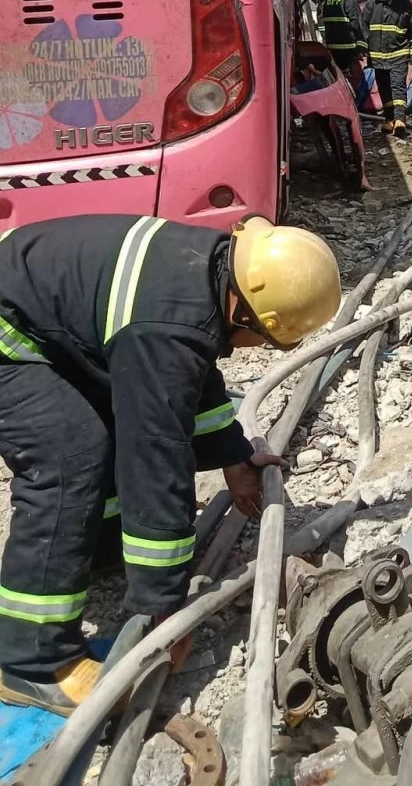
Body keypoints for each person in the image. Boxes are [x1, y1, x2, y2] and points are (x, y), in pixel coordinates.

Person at [0, 214, 341, 714]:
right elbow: (156, 464)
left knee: (110, 420)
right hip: (10, 333)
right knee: (71, 456)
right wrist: (162, 607)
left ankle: (92, 549)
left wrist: (234, 455)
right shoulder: (163, 327)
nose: (254, 349)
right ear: (242, 311)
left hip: (40, 310)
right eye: (264, 340)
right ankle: (29, 661)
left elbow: (190, 375)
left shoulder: (212, 268)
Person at [367, 0, 412, 137]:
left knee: (398, 87)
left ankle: (400, 121)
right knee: (384, 88)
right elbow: (362, 27)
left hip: (399, 54)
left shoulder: (406, 5)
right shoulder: (372, 5)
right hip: (377, 57)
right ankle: (389, 119)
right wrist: (362, 49)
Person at [318, 0, 367, 73]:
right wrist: (361, 45)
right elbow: (356, 24)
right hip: (348, 46)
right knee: (351, 75)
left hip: (332, 46)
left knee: (339, 73)